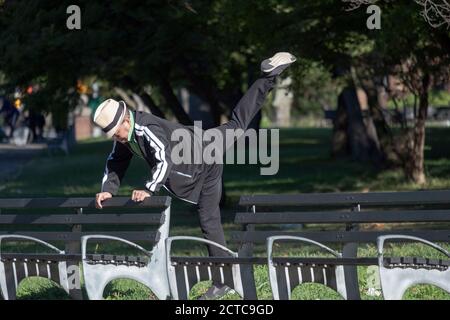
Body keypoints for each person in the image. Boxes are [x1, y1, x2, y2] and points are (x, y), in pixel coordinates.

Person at [93, 52, 296, 299]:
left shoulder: (147, 128)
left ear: (126, 119)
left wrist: (149, 188)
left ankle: (223, 281)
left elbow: (164, 159)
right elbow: (116, 161)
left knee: (209, 220)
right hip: (199, 145)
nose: (117, 137)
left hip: (204, 159)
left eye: (117, 132)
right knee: (236, 127)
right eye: (113, 134)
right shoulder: (128, 136)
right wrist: (108, 189)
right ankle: (268, 76)